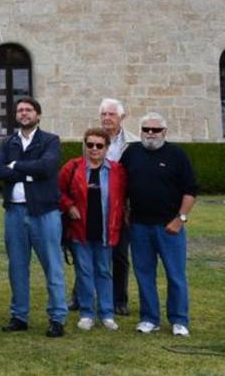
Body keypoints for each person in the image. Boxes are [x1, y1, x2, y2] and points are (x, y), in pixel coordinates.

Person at [0, 97, 66, 337]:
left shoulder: (50, 140)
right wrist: (26, 170)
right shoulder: (8, 142)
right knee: (17, 266)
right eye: (20, 110)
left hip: (44, 211)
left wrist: (15, 167)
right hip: (14, 211)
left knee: (52, 265)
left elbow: (47, 168)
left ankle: (57, 317)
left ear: (38, 115)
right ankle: (19, 315)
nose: (24, 113)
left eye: (29, 110)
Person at [120, 113, 198, 336]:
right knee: (144, 274)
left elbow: (190, 190)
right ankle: (149, 318)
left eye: (155, 130)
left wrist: (180, 219)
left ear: (165, 131)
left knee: (175, 275)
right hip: (139, 227)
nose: (150, 134)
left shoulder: (177, 155)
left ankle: (179, 320)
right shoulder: (132, 153)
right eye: (146, 129)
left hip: (169, 227)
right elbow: (122, 184)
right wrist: (125, 210)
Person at [59, 128, 126, 331]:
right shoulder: (73, 167)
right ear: (85, 146)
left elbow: (123, 198)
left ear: (107, 148)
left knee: (104, 272)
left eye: (99, 145)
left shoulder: (117, 170)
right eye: (90, 145)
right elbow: (57, 190)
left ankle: (106, 313)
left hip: (106, 229)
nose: (94, 149)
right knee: (85, 272)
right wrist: (69, 206)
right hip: (81, 229)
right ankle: (87, 313)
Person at [100, 97, 139, 316]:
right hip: (96, 204)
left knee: (120, 254)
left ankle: (119, 300)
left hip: (121, 207)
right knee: (88, 251)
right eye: (104, 114)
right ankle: (80, 295)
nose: (107, 118)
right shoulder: (91, 140)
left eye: (111, 114)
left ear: (122, 117)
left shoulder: (133, 143)